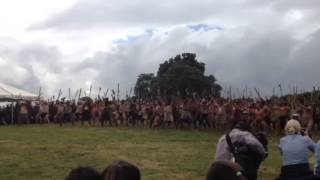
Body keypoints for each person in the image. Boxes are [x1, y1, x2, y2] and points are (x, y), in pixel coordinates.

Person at [215, 111, 267, 180]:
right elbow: (254, 144)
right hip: (231, 171)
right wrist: (263, 154)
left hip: (216, 170)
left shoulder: (222, 138)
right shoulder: (244, 134)